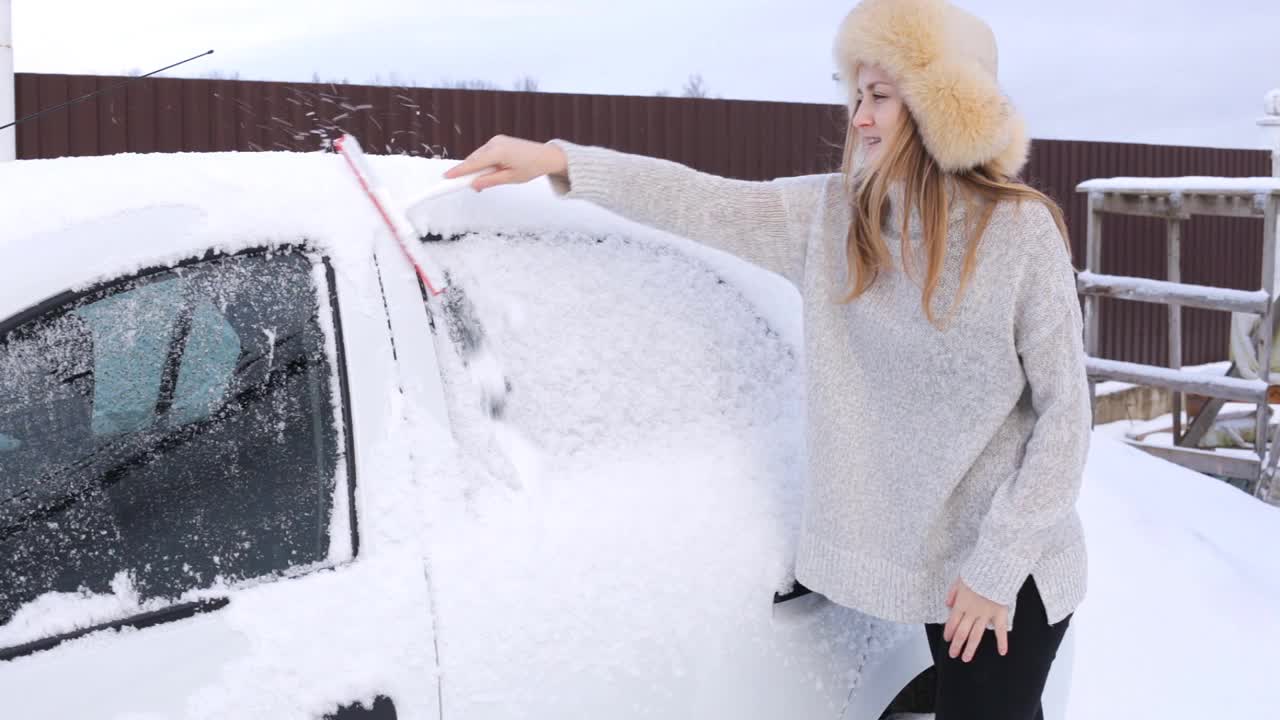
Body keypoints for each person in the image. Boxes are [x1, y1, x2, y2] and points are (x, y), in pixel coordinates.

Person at [443, 0, 1090, 717]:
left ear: (943, 108)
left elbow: (1066, 417)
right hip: (940, 573)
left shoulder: (1020, 233)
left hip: (1013, 572)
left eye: (879, 96)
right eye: (855, 95)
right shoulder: (834, 221)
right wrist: (563, 161)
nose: (858, 116)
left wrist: (996, 571)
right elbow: (700, 200)